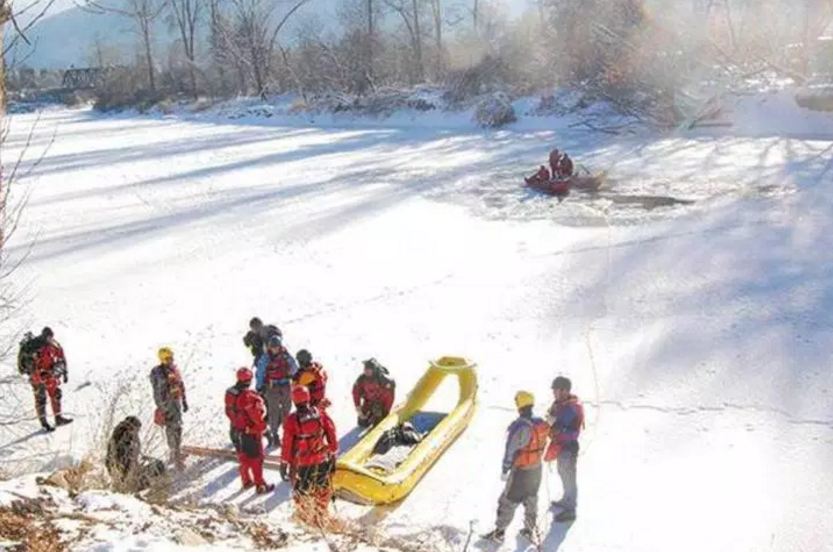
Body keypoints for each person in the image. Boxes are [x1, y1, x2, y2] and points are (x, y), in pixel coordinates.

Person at [482, 391, 550, 544]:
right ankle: (529, 529)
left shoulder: (519, 426)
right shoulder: (541, 423)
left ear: (519, 406)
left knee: (508, 501)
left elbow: (510, 449)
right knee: (531, 499)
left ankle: (499, 533)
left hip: (521, 471)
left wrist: (505, 469)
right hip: (537, 469)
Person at [280, 385, 338, 527]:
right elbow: (332, 433)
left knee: (302, 492)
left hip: (303, 464)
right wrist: (332, 451)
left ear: (294, 400)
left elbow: (287, 444)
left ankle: (306, 517)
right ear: (308, 398)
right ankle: (321, 513)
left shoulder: (292, 420)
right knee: (323, 489)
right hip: (321, 460)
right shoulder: (320, 414)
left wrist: (284, 463)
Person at [545, 376, 584, 522]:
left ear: (565, 391)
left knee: (569, 476)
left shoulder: (571, 408)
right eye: (554, 390)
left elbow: (561, 426)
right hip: (562, 445)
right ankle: (567, 499)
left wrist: (553, 423)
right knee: (563, 472)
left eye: (556, 390)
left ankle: (571, 509)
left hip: (568, 446)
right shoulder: (560, 404)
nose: (554, 393)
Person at [231, 367, 275, 494]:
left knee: (244, 457)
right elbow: (256, 416)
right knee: (257, 459)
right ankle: (260, 485)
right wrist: (263, 427)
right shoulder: (249, 397)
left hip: (237, 429)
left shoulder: (232, 393)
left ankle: (246, 481)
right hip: (251, 432)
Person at [24, 327, 72, 432]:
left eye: (51, 336)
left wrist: (64, 372)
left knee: (56, 395)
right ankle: (44, 423)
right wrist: (40, 373)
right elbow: (32, 364)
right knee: (41, 400)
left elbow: (61, 357)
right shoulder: (35, 346)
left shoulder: (54, 345)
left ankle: (58, 418)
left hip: (50, 375)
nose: (50, 338)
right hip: (37, 377)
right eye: (48, 336)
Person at [255, 335, 298, 447]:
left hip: (285, 385)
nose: (275, 349)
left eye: (277, 347)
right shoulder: (265, 358)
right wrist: (259, 386)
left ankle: (287, 433)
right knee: (273, 411)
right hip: (272, 386)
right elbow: (260, 372)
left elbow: (294, 367)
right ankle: (275, 434)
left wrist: (292, 375)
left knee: (286, 410)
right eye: (273, 347)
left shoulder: (286, 355)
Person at [150, 347, 188, 469]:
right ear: (162, 359)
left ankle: (176, 452)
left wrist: (184, 400)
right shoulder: (158, 372)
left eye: (171, 357)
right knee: (172, 429)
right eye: (167, 358)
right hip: (167, 405)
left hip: (176, 403)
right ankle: (175, 455)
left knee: (177, 428)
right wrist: (162, 407)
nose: (171, 360)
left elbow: (180, 384)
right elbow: (157, 392)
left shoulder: (174, 369)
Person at [106, 416, 165, 492]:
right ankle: (136, 491)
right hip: (127, 476)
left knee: (156, 465)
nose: (137, 432)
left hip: (123, 474)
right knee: (159, 466)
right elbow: (128, 462)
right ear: (132, 428)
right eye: (137, 430)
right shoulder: (126, 440)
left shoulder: (117, 438)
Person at [352, 358, 395, 428]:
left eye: (368, 370)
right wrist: (358, 409)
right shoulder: (361, 379)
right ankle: (371, 415)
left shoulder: (383, 380)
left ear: (374, 370)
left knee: (378, 424)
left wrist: (386, 411)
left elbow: (390, 396)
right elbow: (355, 393)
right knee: (362, 422)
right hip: (369, 402)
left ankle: (378, 416)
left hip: (381, 404)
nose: (366, 371)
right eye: (365, 369)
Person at [225, 367, 253, 451]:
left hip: (237, 418)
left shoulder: (231, 391)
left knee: (236, 433)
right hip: (240, 418)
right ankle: (241, 449)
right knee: (238, 435)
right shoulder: (244, 393)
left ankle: (239, 446)